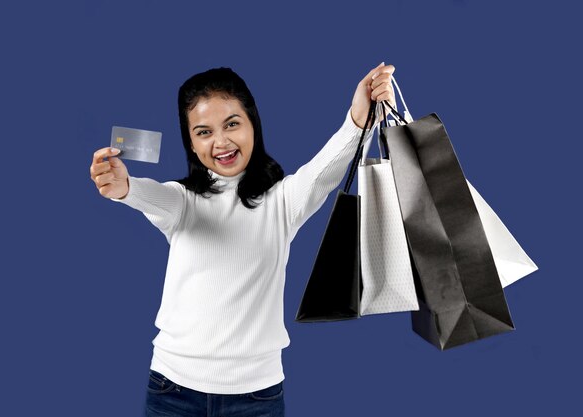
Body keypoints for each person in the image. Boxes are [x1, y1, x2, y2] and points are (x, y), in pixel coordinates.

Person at [89, 63, 396, 417]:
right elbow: (147, 194)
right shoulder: (182, 201)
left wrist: (358, 118)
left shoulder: (282, 202)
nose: (220, 142)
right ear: (191, 142)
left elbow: (323, 172)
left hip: (255, 398)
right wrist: (123, 187)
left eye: (232, 124)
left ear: (253, 124)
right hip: (171, 390)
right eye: (204, 132)